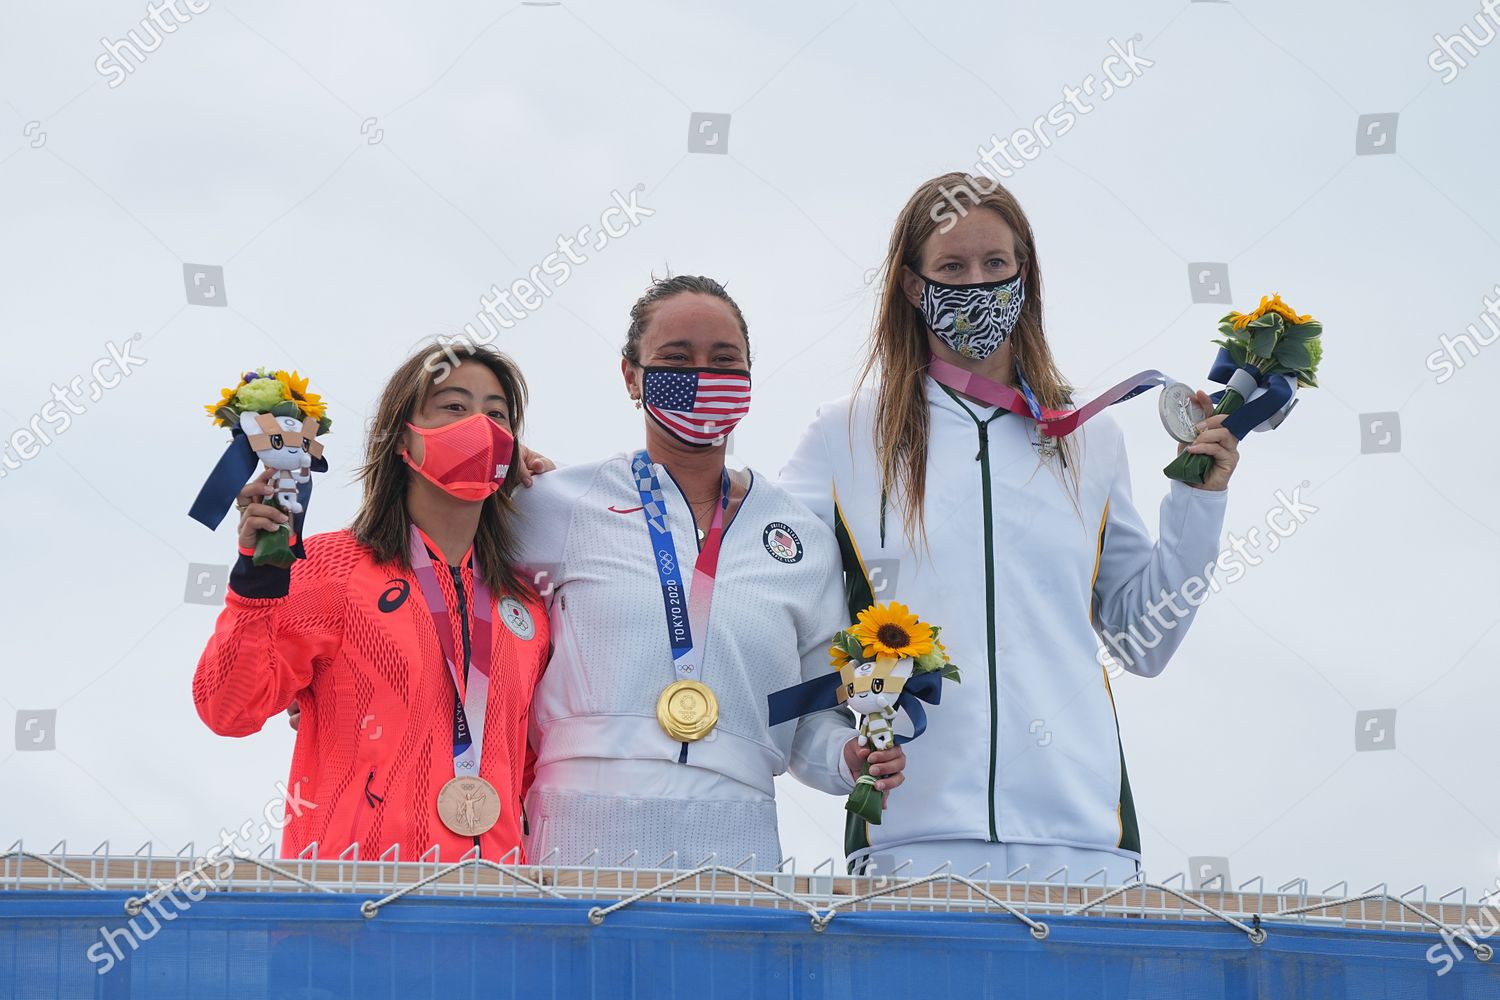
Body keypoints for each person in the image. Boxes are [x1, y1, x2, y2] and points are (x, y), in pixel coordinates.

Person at [778, 173, 1238, 882]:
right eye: (952, 269)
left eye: (996, 265)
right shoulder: (847, 432)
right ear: (911, 286)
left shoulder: (1091, 438)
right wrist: (831, 755)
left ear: (1026, 274)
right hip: (913, 838)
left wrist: (1198, 501)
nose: (978, 285)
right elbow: (771, 592)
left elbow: (1144, 640)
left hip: (1085, 843)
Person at [511, 275, 906, 869]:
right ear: (630, 376)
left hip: (736, 838)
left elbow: (807, 713)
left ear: (748, 377)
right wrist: (491, 474)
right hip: (575, 829)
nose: (701, 376)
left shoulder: (801, 538)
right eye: (676, 359)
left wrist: (846, 757)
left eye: (724, 361)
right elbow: (432, 560)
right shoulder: (559, 502)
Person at [194, 344, 550, 861]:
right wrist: (255, 585)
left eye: (497, 414)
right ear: (402, 434)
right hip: (348, 909)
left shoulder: (527, 605)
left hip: (491, 907)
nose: (479, 426)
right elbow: (227, 710)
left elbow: (539, 766)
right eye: (454, 406)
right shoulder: (330, 568)